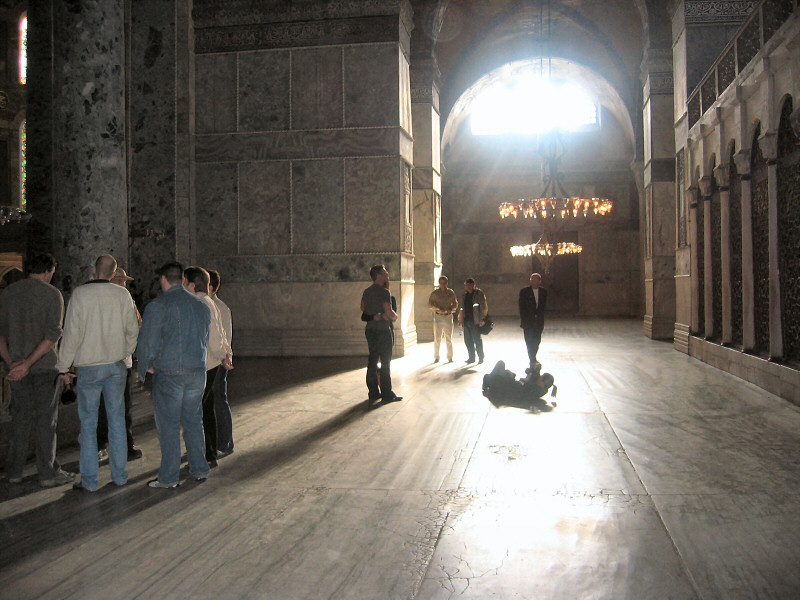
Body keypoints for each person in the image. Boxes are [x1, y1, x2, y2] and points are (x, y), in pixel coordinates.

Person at [56, 255, 140, 491]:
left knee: (89, 424)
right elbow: (133, 330)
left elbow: (71, 334)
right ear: (114, 274)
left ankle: (90, 480)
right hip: (115, 366)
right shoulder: (122, 295)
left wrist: (64, 366)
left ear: (94, 270)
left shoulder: (80, 295)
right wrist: (125, 352)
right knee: (116, 421)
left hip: (89, 369)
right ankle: (120, 475)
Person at [0, 253, 74, 487]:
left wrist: (13, 363)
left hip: (14, 368)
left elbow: (0, 334)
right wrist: (28, 363)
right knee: (46, 421)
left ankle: (14, 471)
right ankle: (47, 472)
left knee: (19, 420)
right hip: (42, 367)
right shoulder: (52, 294)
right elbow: (52, 336)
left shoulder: (8, 293)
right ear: (49, 270)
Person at [136, 262, 211, 489]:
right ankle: (199, 468)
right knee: (193, 421)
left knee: (168, 426)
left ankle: (169, 477)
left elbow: (148, 341)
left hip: (169, 373)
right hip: (197, 372)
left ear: (163, 280)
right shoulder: (202, 307)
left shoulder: (158, 306)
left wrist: (145, 366)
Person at [183, 266, 233, 468]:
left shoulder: (201, 304)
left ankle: (201, 458)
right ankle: (209, 454)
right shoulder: (207, 303)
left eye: (185, 283)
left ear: (192, 285)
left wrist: (224, 355)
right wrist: (226, 353)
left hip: (205, 366)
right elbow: (220, 332)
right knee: (205, 410)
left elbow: (214, 335)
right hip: (209, 364)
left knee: (194, 413)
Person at [96, 267, 143, 462]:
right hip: (114, 361)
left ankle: (116, 445)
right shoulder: (119, 300)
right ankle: (116, 446)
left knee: (114, 407)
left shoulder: (99, 299)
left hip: (107, 361)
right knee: (109, 407)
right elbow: (136, 326)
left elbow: (137, 323)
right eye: (121, 280)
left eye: (125, 281)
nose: (124, 284)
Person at [360, 265, 401, 405]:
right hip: (382, 330)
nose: (387, 274)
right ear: (378, 276)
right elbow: (389, 313)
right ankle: (387, 393)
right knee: (385, 362)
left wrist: (374, 315)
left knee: (372, 361)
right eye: (385, 273)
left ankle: (373, 392)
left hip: (370, 329)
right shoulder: (384, 292)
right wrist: (395, 317)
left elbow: (363, 309)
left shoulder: (366, 291)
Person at [208, 269, 234, 458]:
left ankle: (224, 442)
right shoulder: (213, 306)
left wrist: (223, 357)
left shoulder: (219, 308)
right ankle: (214, 441)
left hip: (217, 362)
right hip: (213, 361)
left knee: (219, 402)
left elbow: (222, 338)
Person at [519, 272, 547, 369]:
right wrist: (524, 319)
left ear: (539, 281)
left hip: (539, 321)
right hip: (528, 321)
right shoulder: (524, 291)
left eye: (535, 280)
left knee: (537, 340)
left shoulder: (543, 292)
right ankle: (532, 358)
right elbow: (521, 307)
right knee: (529, 340)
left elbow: (543, 306)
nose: (533, 282)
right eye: (532, 280)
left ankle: (533, 356)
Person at [427, 276, 458, 363]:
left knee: (449, 338)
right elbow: (429, 304)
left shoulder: (450, 292)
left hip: (448, 316)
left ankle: (450, 356)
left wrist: (451, 309)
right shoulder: (435, 293)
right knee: (437, 338)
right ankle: (436, 356)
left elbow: (455, 303)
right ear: (439, 283)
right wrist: (437, 309)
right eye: (441, 283)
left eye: (444, 283)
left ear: (447, 283)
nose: (443, 285)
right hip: (438, 316)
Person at [458, 278, 488, 364]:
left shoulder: (479, 294)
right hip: (466, 320)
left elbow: (484, 306)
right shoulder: (464, 295)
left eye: (469, 285)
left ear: (473, 285)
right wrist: (460, 320)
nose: (468, 287)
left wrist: (482, 318)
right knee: (468, 340)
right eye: (466, 285)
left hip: (475, 321)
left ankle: (481, 357)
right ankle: (471, 357)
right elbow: (461, 308)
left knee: (477, 339)